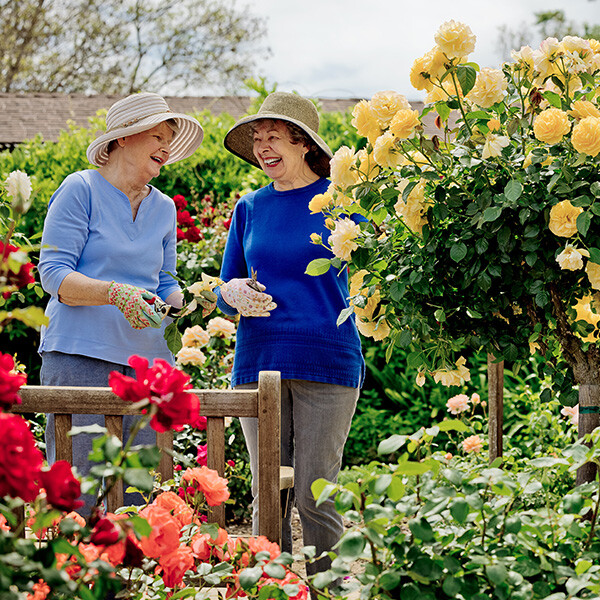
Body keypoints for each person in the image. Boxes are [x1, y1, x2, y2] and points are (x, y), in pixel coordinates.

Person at [218, 92, 364, 577]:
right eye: (256, 140)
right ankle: (272, 587)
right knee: (268, 492)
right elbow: (224, 288)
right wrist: (233, 292)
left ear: (302, 143)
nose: (262, 147)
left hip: (328, 361)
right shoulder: (250, 207)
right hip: (260, 363)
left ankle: (328, 588)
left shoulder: (341, 202)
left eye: (272, 137)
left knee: (315, 495)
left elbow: (378, 271)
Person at [38, 92, 204, 510]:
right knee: (79, 497)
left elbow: (165, 282)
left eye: (171, 138)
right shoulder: (81, 189)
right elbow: (54, 275)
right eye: (158, 135)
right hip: (79, 357)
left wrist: (206, 298)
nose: (167, 146)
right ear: (123, 139)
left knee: (137, 500)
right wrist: (114, 293)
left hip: (148, 369)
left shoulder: (164, 208)